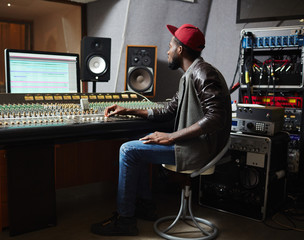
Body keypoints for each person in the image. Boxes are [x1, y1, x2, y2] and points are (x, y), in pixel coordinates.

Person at [91, 23, 232, 236]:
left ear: (180, 50)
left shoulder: (203, 73)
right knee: (139, 141)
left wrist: (171, 136)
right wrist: (127, 109)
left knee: (128, 151)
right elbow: (168, 111)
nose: (167, 51)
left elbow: (215, 117)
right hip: (194, 145)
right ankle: (145, 206)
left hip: (199, 150)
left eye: (170, 46)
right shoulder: (190, 75)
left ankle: (126, 220)